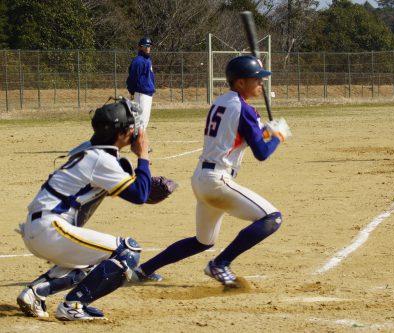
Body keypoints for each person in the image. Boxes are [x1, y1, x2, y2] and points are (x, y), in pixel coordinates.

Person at [134, 55, 291, 287]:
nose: (261, 84)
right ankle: (221, 263)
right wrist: (277, 135)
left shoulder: (222, 102)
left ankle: (143, 270)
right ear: (239, 83)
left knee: (202, 241)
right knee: (272, 218)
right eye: (256, 79)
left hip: (202, 177)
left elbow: (243, 135)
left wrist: (267, 131)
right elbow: (262, 152)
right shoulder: (245, 110)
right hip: (218, 180)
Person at [16, 97, 154, 321]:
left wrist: (143, 183)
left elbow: (135, 190)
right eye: (132, 128)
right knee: (127, 251)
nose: (136, 132)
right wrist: (143, 155)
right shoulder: (101, 160)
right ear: (121, 133)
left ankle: (36, 292)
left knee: (97, 261)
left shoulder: (91, 152)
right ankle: (74, 305)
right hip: (50, 228)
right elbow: (139, 195)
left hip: (39, 228)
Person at [126, 37, 156, 129]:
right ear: (140, 47)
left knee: (144, 121)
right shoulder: (138, 61)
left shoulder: (148, 60)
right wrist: (131, 91)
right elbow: (133, 78)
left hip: (148, 93)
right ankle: (137, 142)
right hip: (141, 93)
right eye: (145, 46)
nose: (148, 48)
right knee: (140, 121)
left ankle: (141, 142)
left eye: (149, 45)